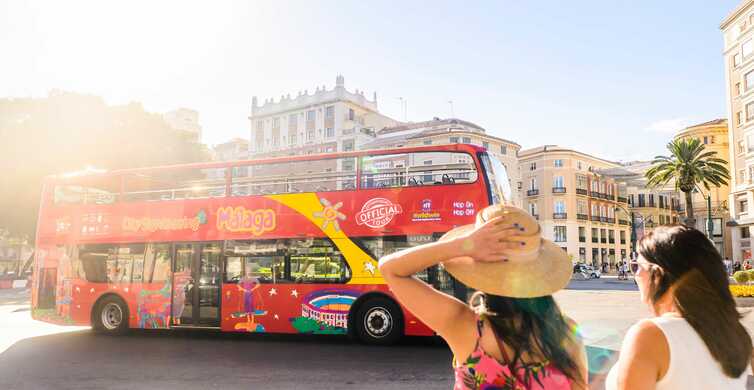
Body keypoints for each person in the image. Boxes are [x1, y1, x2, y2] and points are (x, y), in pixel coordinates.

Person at [379, 205, 588, 390]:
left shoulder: (464, 327)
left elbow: (390, 269)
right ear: (539, 272)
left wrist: (463, 245)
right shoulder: (568, 333)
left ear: (480, 268)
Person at [606, 226, 753, 389]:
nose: (636, 274)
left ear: (658, 274)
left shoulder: (650, 335)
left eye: (637, 266)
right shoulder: (738, 334)